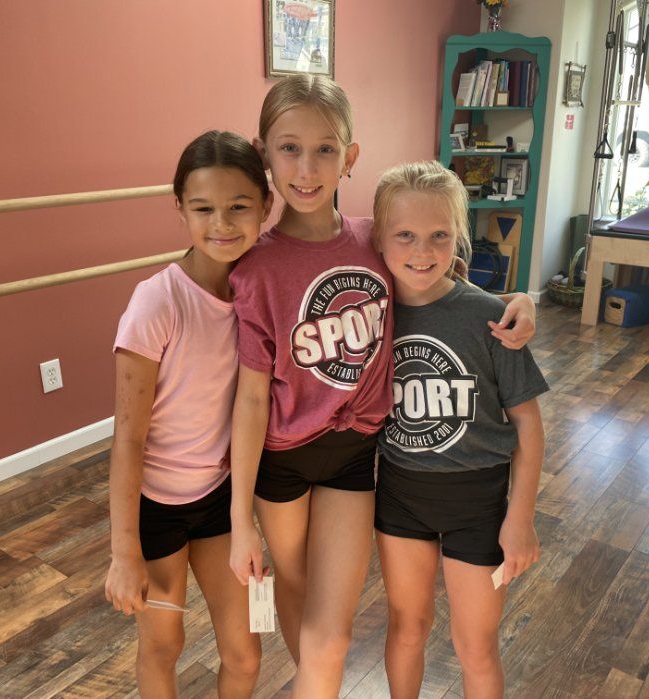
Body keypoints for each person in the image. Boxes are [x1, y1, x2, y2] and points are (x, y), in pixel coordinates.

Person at [227, 74, 538, 697]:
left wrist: (520, 300)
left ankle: (314, 677)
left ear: (350, 157)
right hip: (280, 461)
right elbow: (252, 397)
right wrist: (239, 521)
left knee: (333, 636)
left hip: (354, 458)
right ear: (264, 154)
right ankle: (309, 683)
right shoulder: (253, 267)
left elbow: (434, 277)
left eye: (324, 149)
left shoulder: (373, 240)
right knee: (299, 605)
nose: (307, 167)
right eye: (288, 148)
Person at [105, 130, 273, 699]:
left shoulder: (263, 288)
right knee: (162, 646)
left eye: (238, 207)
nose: (221, 223)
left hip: (221, 502)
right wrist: (123, 552)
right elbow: (127, 439)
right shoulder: (157, 303)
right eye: (203, 208)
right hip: (156, 508)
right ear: (179, 210)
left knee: (246, 653)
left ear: (266, 207)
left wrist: (509, 302)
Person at [371, 160, 548, 699]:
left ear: (459, 237)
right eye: (404, 235)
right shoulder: (368, 312)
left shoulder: (490, 317)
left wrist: (520, 519)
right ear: (377, 237)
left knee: (475, 645)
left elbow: (529, 426)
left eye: (439, 236)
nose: (421, 252)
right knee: (407, 627)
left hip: (480, 504)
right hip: (401, 496)